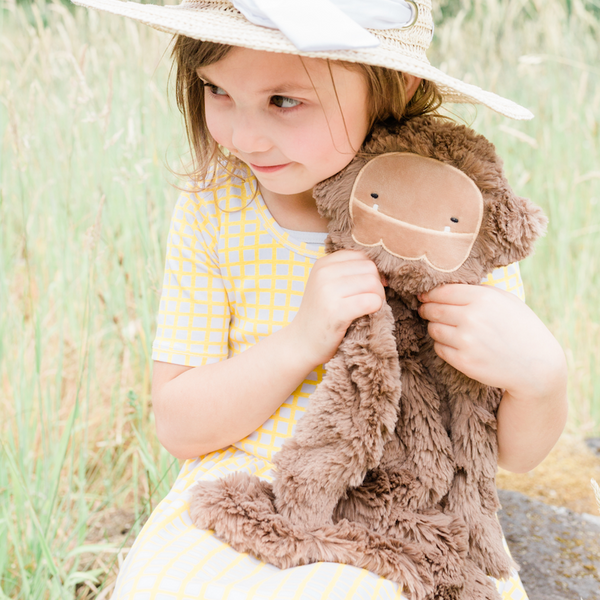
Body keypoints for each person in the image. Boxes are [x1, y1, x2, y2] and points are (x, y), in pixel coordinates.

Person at [72, 0, 568, 598]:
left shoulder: (449, 211)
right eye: (216, 90)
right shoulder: (216, 208)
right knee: (162, 584)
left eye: (285, 101)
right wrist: (302, 340)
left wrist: (540, 379)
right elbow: (179, 423)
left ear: (395, 87)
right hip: (248, 485)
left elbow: (510, 454)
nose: (242, 134)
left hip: (410, 498)